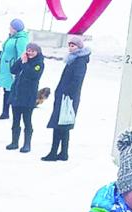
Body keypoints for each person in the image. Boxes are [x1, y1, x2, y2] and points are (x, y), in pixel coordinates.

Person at [42, 34, 90, 162]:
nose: (70, 47)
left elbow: (76, 80)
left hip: (68, 98)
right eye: (69, 45)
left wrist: (66, 93)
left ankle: (54, 152)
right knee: (63, 125)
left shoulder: (79, 61)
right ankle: (63, 152)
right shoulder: (73, 59)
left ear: (78, 47)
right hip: (65, 97)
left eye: (73, 45)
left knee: (60, 124)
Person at [5, 42, 44, 153]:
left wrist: (25, 63)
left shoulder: (39, 64)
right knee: (15, 120)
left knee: (27, 120)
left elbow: (32, 75)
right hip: (17, 94)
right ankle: (14, 142)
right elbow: (13, 70)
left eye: (32, 51)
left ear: (37, 52)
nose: (30, 53)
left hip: (28, 96)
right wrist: (20, 60)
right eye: (28, 50)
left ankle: (27, 144)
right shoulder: (23, 60)